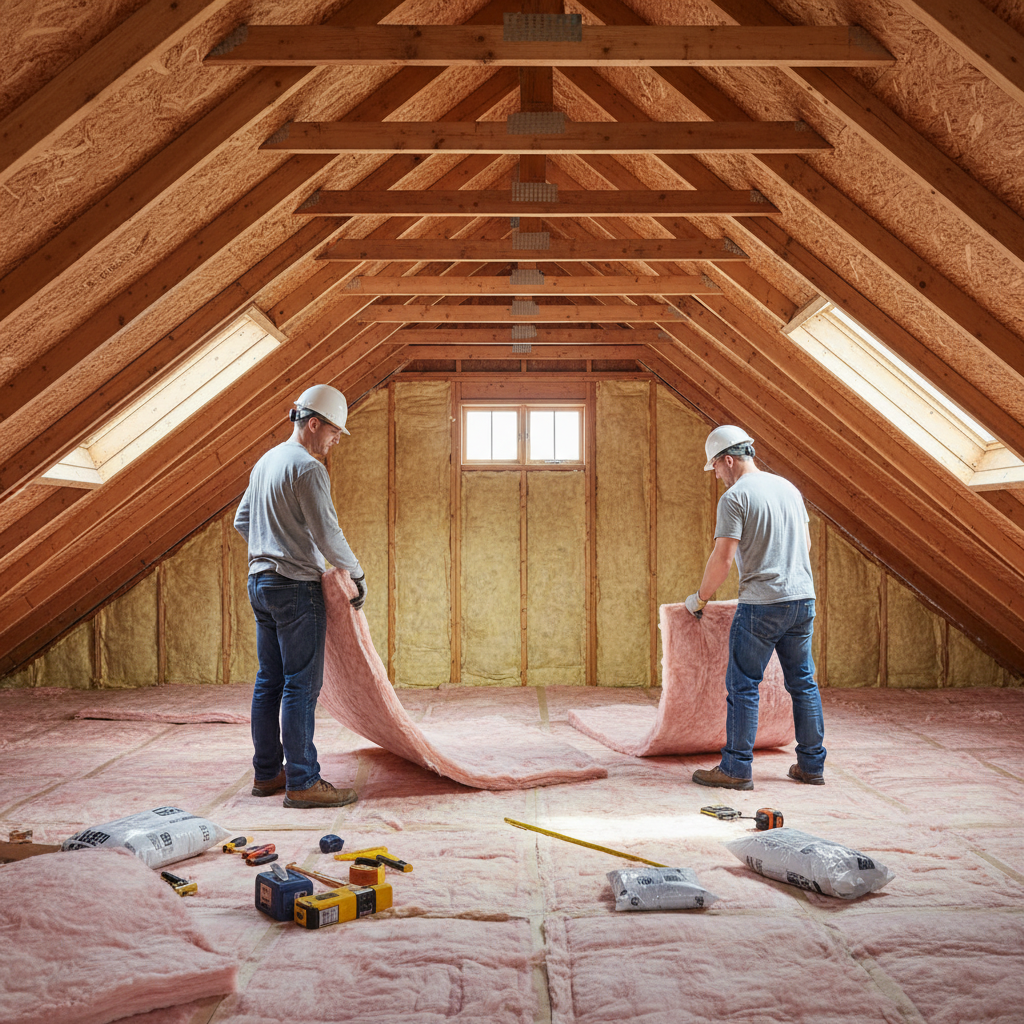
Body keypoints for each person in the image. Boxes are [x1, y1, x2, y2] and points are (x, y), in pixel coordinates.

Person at [234, 384, 367, 809]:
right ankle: (304, 782)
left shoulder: (266, 462)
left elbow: (242, 521)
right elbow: (328, 535)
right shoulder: (308, 469)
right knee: (300, 686)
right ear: (313, 424)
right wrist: (356, 573)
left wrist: (270, 543)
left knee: (268, 682)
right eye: (333, 433)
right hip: (294, 587)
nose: (334, 441)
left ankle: (268, 773)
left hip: (260, 584)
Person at [686, 425, 826, 790]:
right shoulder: (788, 488)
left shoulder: (735, 498)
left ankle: (735, 769)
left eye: (714, 467)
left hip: (762, 605)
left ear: (728, 460)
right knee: (804, 684)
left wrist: (700, 598)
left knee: (744, 685)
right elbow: (806, 544)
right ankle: (811, 766)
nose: (716, 475)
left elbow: (724, 557)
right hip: (802, 599)